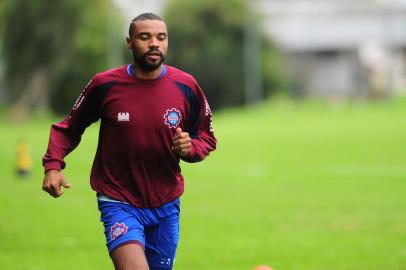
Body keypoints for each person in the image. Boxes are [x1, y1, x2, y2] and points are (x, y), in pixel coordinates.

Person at [42, 12, 217, 270]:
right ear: (130, 42)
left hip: (166, 203)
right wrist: (53, 166)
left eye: (161, 37)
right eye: (145, 37)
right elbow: (68, 127)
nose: (154, 43)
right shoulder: (105, 84)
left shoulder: (185, 85)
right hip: (118, 200)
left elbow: (206, 136)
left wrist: (190, 148)